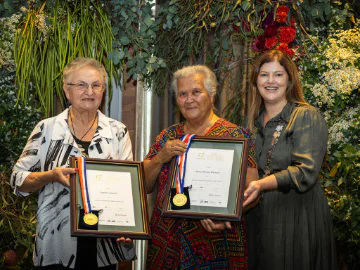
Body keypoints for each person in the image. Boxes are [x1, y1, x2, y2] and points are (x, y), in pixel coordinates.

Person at [11, 57, 136, 269]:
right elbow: (18, 179)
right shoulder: (46, 129)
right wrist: (50, 176)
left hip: (104, 246)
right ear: (67, 91)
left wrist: (128, 227)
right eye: (81, 85)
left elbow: (128, 187)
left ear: (103, 90)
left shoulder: (117, 131)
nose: (90, 91)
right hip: (57, 244)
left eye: (96, 85)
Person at [144, 65, 258, 269]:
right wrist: (160, 157)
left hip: (216, 241)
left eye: (196, 92)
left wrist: (224, 218)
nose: (189, 100)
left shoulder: (236, 137)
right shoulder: (167, 136)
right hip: (167, 244)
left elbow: (253, 191)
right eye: (182, 94)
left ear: (211, 94)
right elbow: (143, 184)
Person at [243, 50, 337, 270]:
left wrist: (260, 184)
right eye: (264, 75)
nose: (271, 81)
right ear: (255, 81)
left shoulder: (306, 115)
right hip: (260, 218)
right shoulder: (252, 124)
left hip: (297, 216)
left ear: (289, 79)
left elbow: (306, 172)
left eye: (278, 75)